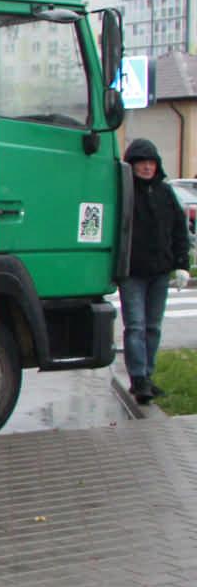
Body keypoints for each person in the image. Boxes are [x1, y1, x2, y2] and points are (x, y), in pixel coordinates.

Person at [119, 138, 191, 405]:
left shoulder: (165, 192)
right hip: (132, 273)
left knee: (152, 327)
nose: (147, 167)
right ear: (132, 165)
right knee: (135, 326)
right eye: (142, 163)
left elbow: (179, 230)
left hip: (160, 272)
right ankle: (138, 378)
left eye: (151, 163)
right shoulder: (124, 192)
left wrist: (182, 264)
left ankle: (147, 377)